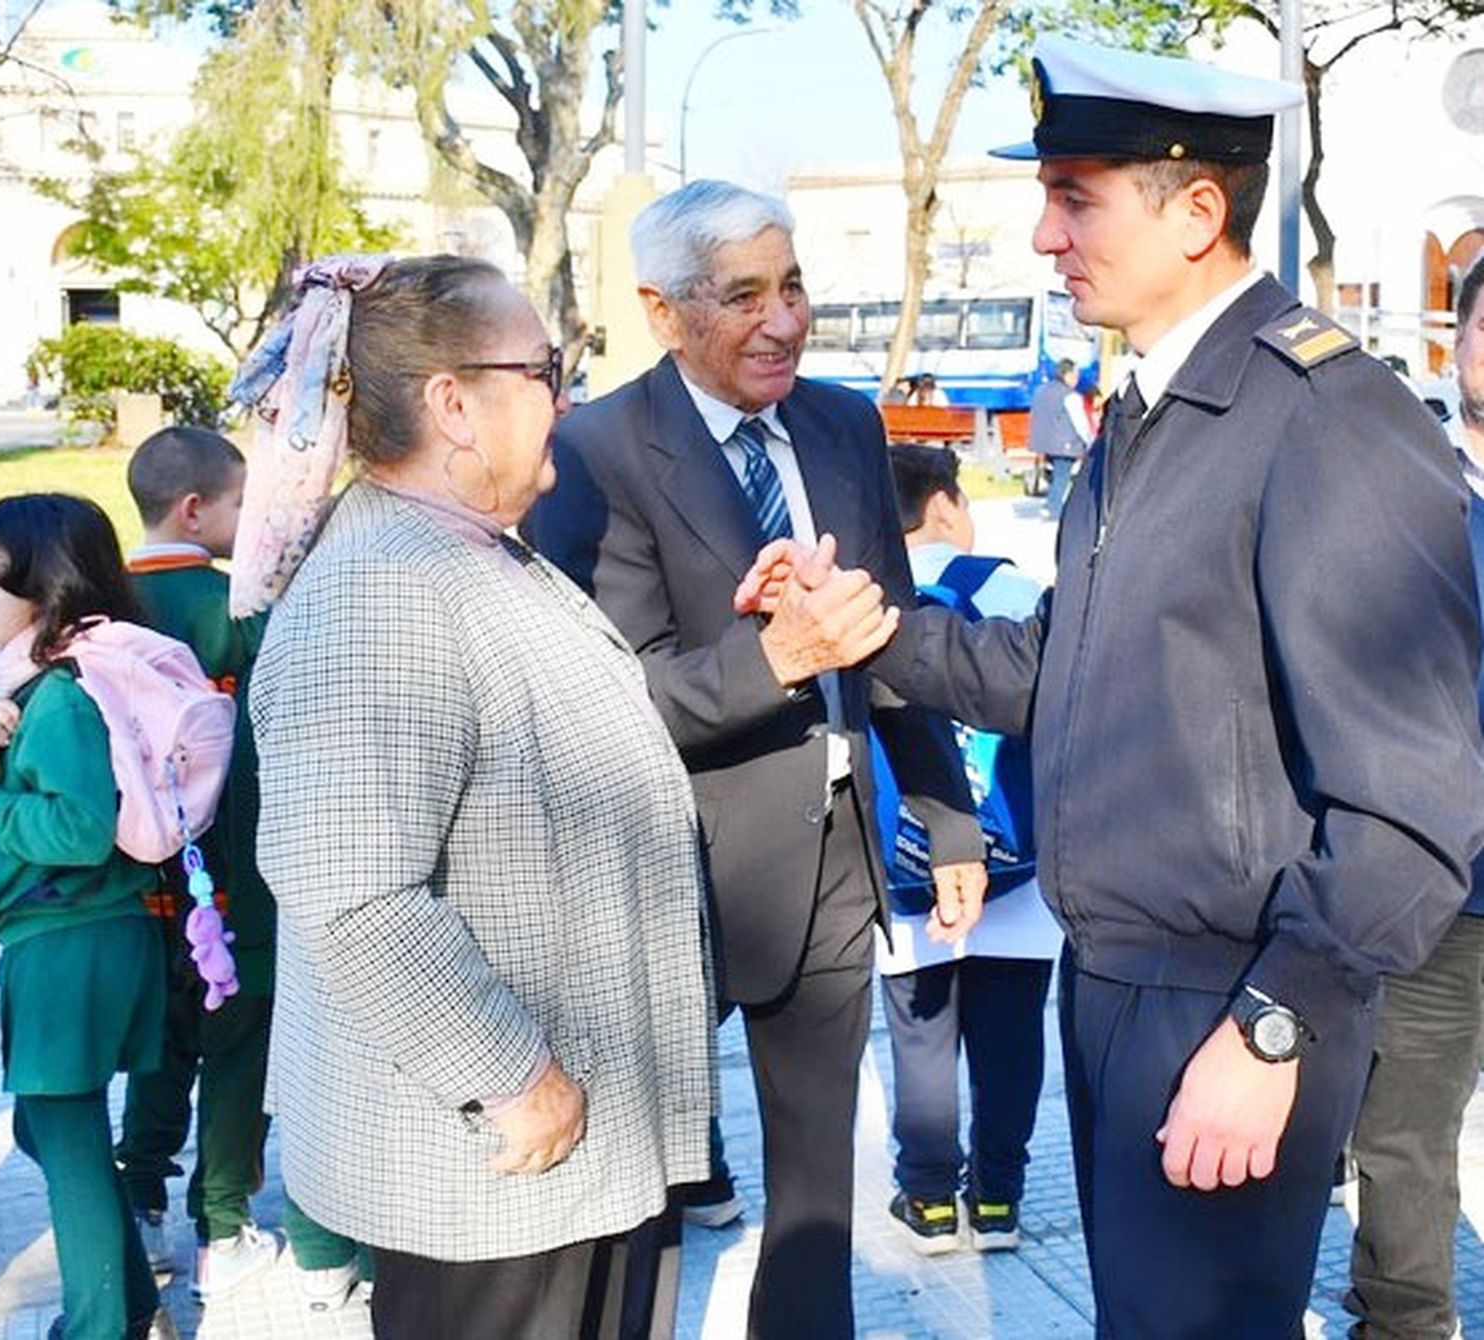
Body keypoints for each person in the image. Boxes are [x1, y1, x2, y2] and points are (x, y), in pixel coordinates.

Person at [739, 36, 1484, 1337]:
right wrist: (865, 633)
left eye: (1075, 196)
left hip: (1229, 999)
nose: (1041, 234)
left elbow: (1414, 802)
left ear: (1199, 210)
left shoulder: (1327, 420)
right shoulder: (1151, 410)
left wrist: (1273, 1029)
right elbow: (1059, 670)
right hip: (1122, 985)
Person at [522, 179, 986, 1338]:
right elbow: (594, 701)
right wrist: (774, 656)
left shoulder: (841, 424)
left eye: (793, 286)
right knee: (637, 1196)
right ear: (663, 309)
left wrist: (947, 805)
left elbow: (887, 628)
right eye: (744, 297)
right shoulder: (591, 451)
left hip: (832, 864)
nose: (784, 320)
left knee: (816, 1194)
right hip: (659, 879)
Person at [239, 254, 715, 1340]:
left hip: (560, 1164)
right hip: (495, 1173)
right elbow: (354, 893)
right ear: (455, 402)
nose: (567, 394)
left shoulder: (471, 554)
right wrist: (512, 1075)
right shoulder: (381, 592)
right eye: (548, 367)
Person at [0, 493, 166, 1340]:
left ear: (45, 590)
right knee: (49, 1128)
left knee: (67, 1135)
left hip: (68, 944)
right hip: (85, 939)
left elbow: (80, 828)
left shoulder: (57, 697)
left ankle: (102, 1326)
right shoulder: (47, 685)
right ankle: (128, 1306)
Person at [1345, 256, 1484, 1340]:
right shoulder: (1408, 492)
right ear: (1460, 344)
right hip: (1444, 892)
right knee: (1404, 1139)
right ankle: (1404, 1322)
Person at [878, 444, 1060, 1257]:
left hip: (909, 861)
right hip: (1017, 860)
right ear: (947, 504)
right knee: (1011, 1033)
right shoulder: (1015, 589)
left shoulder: (871, 603)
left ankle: (926, 1201)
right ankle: (998, 1199)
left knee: (921, 1035)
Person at [116, 426, 281, 1301]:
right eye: (238, 503)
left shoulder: (101, 611)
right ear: (194, 509)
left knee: (160, 1039)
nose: (246, 519)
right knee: (237, 1037)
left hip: (143, 877)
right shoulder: (238, 610)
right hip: (235, 871)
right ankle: (224, 1220)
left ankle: (139, 1197)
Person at [1029, 358, 1089, 520]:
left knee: (1055, 475)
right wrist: (1089, 440)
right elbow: (1080, 422)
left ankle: (1050, 504)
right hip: (1065, 442)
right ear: (1067, 375)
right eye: (1076, 375)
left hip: (1043, 441)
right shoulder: (1070, 396)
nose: (1077, 380)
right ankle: (1053, 508)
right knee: (1062, 476)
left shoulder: (1041, 391)